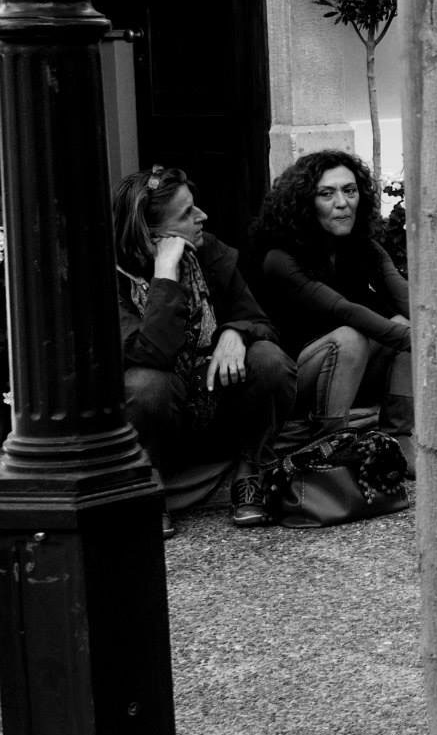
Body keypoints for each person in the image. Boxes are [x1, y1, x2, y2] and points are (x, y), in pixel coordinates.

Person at [114, 165, 294, 532]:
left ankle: (250, 472)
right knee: (144, 383)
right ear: (151, 233)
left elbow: (259, 321)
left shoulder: (207, 251)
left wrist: (235, 333)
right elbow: (151, 352)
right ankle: (148, 486)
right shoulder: (114, 277)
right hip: (160, 422)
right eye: (186, 214)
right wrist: (166, 272)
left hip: (216, 405)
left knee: (269, 360)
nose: (202, 216)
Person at [249, 151, 415, 455]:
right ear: (305, 202)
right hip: (296, 381)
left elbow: (404, 297)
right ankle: (331, 444)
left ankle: (398, 435)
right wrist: (420, 341)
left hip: (352, 373)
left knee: (404, 324)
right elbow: (342, 310)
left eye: (350, 191)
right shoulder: (280, 258)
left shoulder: (363, 247)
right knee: (353, 338)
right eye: (327, 194)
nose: (342, 203)